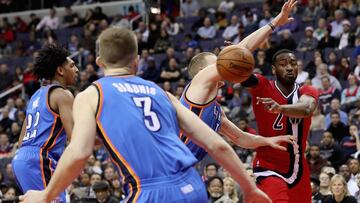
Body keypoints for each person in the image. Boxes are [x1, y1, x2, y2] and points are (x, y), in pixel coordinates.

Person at [20, 27, 270, 203]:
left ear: (99, 61)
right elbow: (217, 144)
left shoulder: (91, 94)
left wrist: (46, 194)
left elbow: (79, 152)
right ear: (137, 61)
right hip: (193, 187)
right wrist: (249, 188)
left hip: (148, 192)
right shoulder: (161, 93)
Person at [180, 0, 297, 163]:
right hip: (166, 168)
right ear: (202, 72)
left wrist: (267, 140)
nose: (222, 64)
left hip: (182, 170)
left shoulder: (216, 110)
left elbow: (240, 138)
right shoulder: (199, 82)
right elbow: (243, 50)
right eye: (216, 62)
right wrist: (276, 21)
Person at [223, 1, 317, 202]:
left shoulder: (307, 91)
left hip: (299, 168)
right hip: (268, 167)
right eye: (283, 64)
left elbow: (307, 109)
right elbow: (240, 63)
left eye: (293, 63)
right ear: (274, 70)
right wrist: (275, 23)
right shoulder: (262, 85)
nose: (290, 67)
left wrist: (281, 108)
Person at [12, 44, 79, 203]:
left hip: (22, 159)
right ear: (60, 71)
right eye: (72, 65)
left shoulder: (35, 96)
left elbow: (21, 141)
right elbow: (75, 136)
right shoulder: (62, 94)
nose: (76, 69)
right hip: (40, 159)